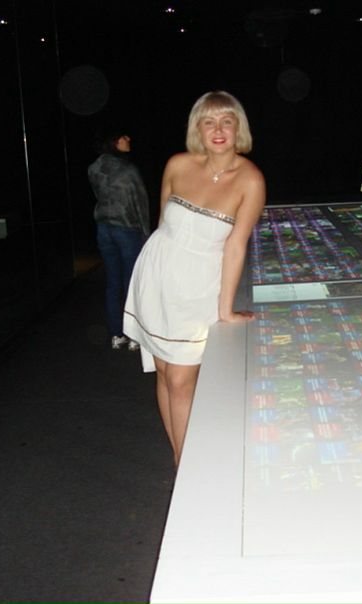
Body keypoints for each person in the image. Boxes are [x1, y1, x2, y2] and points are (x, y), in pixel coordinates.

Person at [123, 91, 265, 465]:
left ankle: (186, 466)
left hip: (199, 288)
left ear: (238, 128)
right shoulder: (177, 164)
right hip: (157, 278)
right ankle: (179, 460)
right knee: (164, 372)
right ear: (197, 128)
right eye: (209, 121)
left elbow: (235, 246)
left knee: (181, 381)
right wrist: (155, 276)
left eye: (226, 121)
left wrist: (225, 309)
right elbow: (163, 226)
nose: (218, 130)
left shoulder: (250, 180)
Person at [88, 126, 150, 351]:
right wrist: (146, 234)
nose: (128, 138)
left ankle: (116, 334)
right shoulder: (128, 169)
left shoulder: (94, 168)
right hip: (126, 228)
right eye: (123, 136)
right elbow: (140, 203)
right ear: (114, 141)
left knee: (113, 282)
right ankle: (134, 336)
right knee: (132, 281)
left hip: (104, 228)